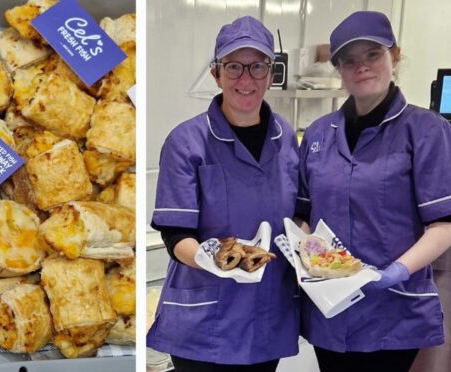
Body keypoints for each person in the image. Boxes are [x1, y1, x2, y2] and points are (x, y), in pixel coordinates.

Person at [296, 11, 451, 372]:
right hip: (330, 309)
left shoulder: (427, 131)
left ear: (394, 57)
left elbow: (444, 224)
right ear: (338, 69)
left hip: (392, 308)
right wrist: (303, 253)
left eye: (372, 55)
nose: (361, 67)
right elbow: (303, 213)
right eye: (349, 61)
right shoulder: (318, 134)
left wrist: (395, 271)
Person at [146, 16, 300, 372]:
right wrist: (215, 259)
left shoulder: (287, 138)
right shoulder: (186, 142)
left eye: (257, 66)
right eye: (234, 67)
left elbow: (299, 215)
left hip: (266, 315)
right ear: (216, 74)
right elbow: (175, 234)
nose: (246, 79)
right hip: (204, 324)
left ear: (271, 73)